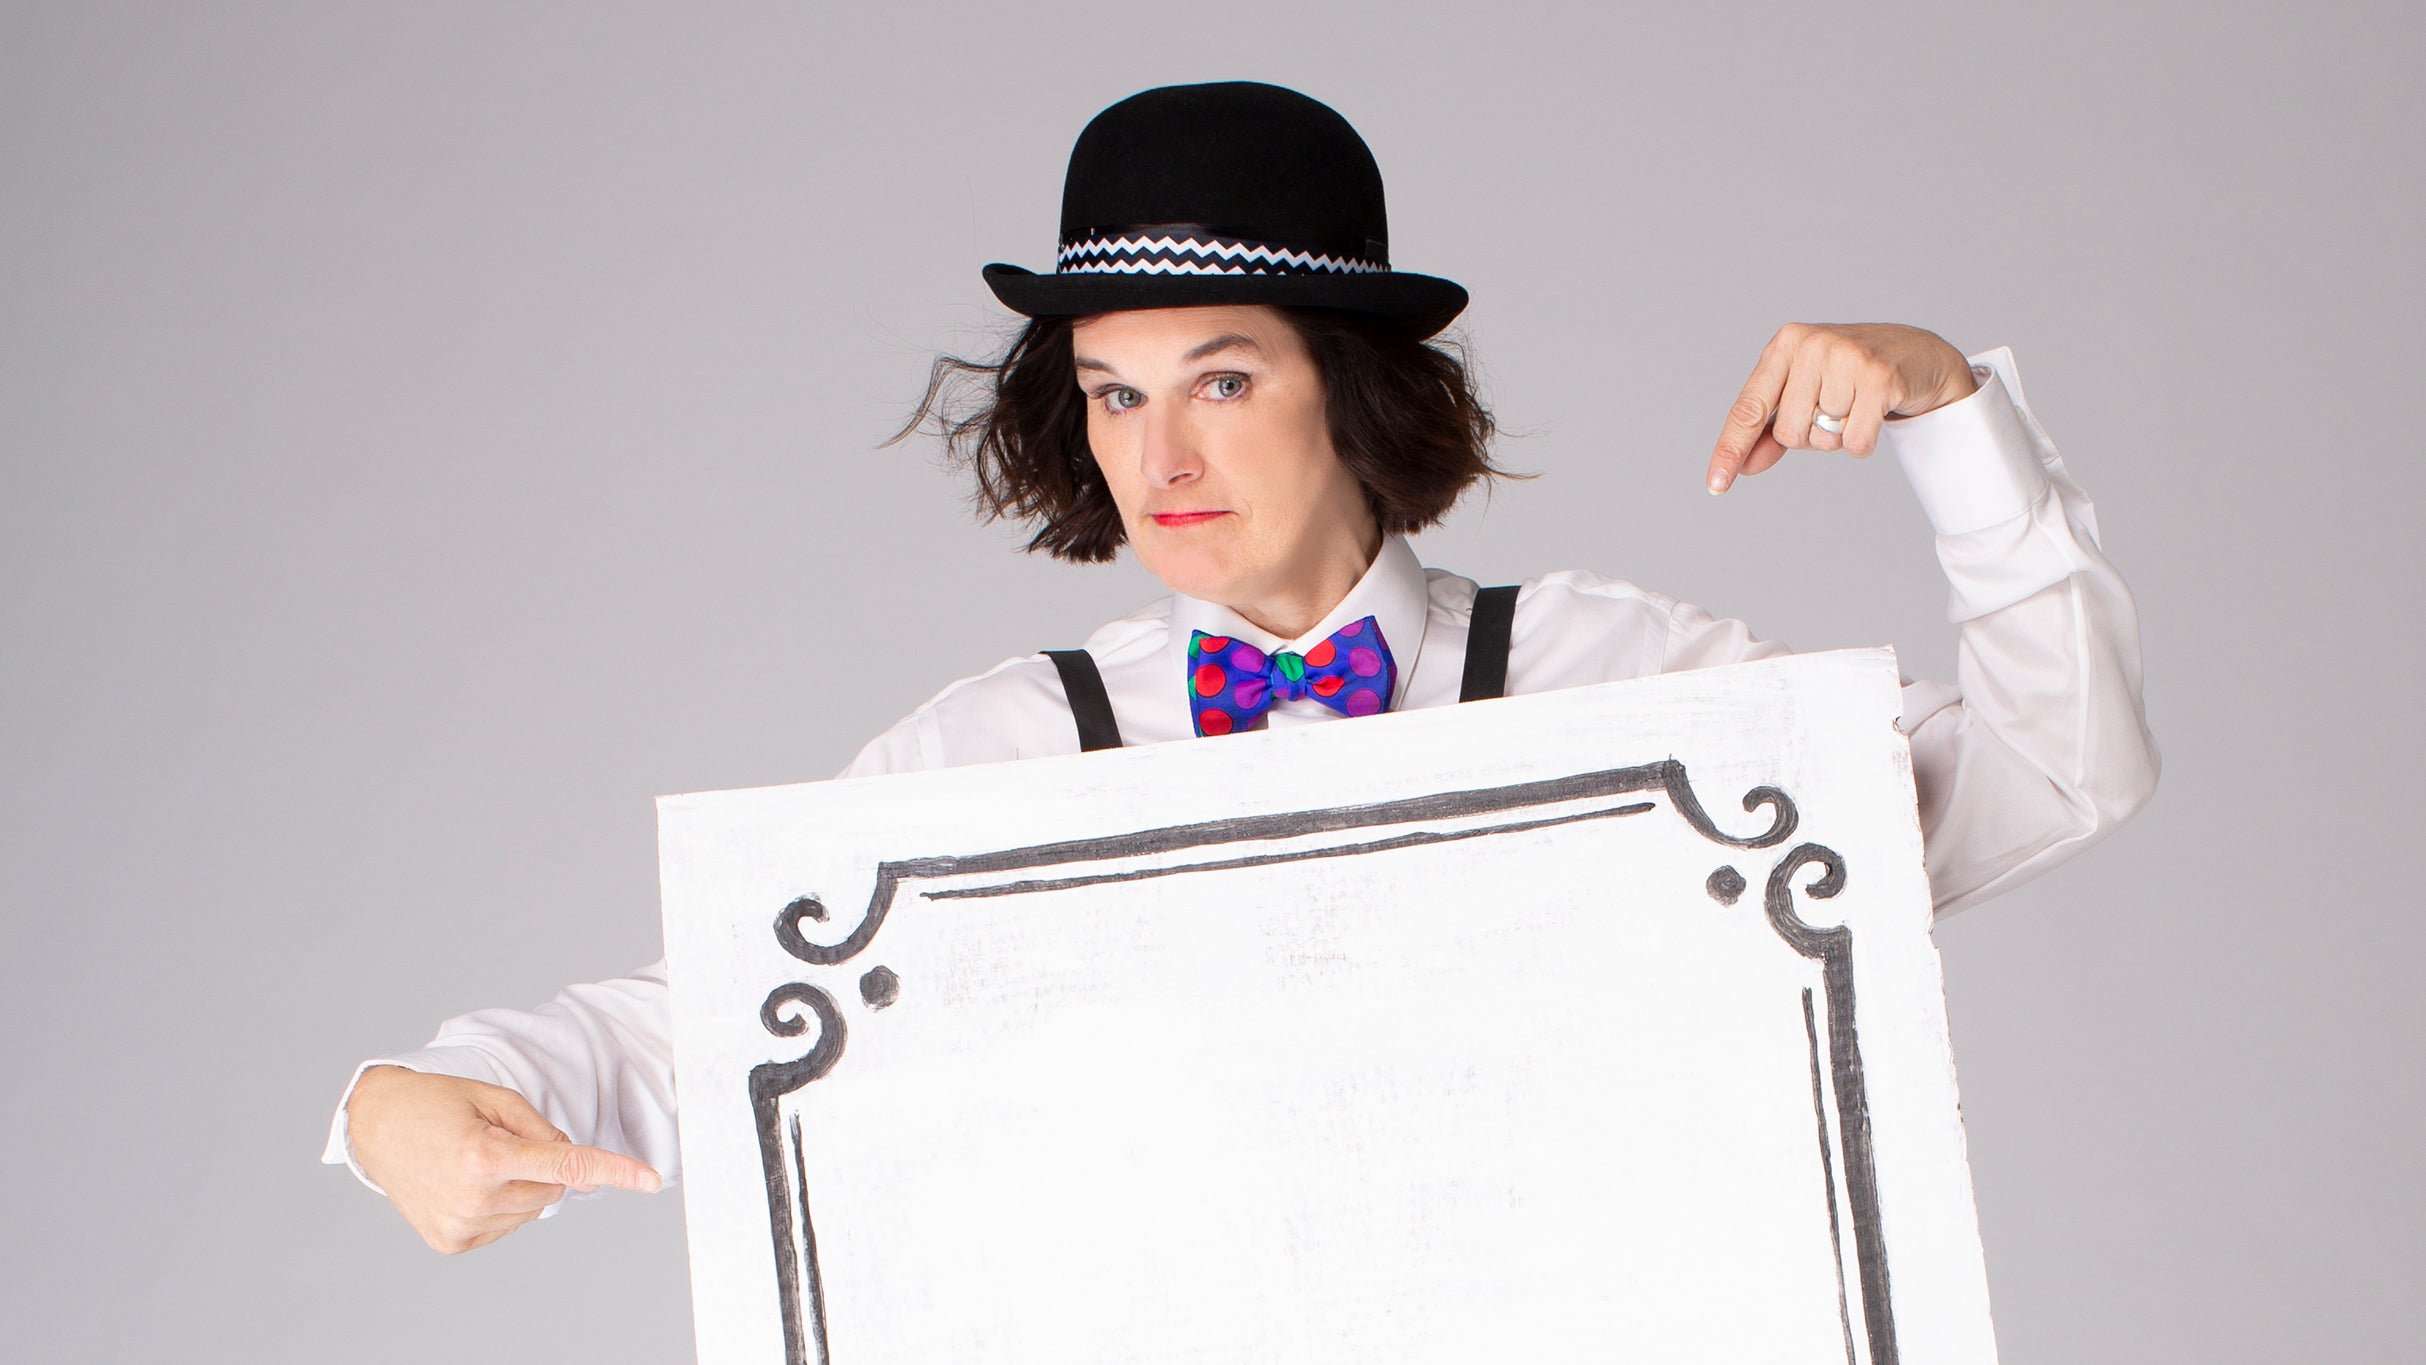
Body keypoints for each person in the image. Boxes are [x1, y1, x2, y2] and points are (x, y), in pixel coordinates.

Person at [325, 81, 2158, 1255]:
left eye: (1220, 377)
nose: (1161, 457)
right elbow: (692, 1023)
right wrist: (396, 1097)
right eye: (1113, 393)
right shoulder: (1005, 749)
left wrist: (1948, 414)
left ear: (1345, 386)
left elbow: (2056, 770)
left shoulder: (1614, 679)